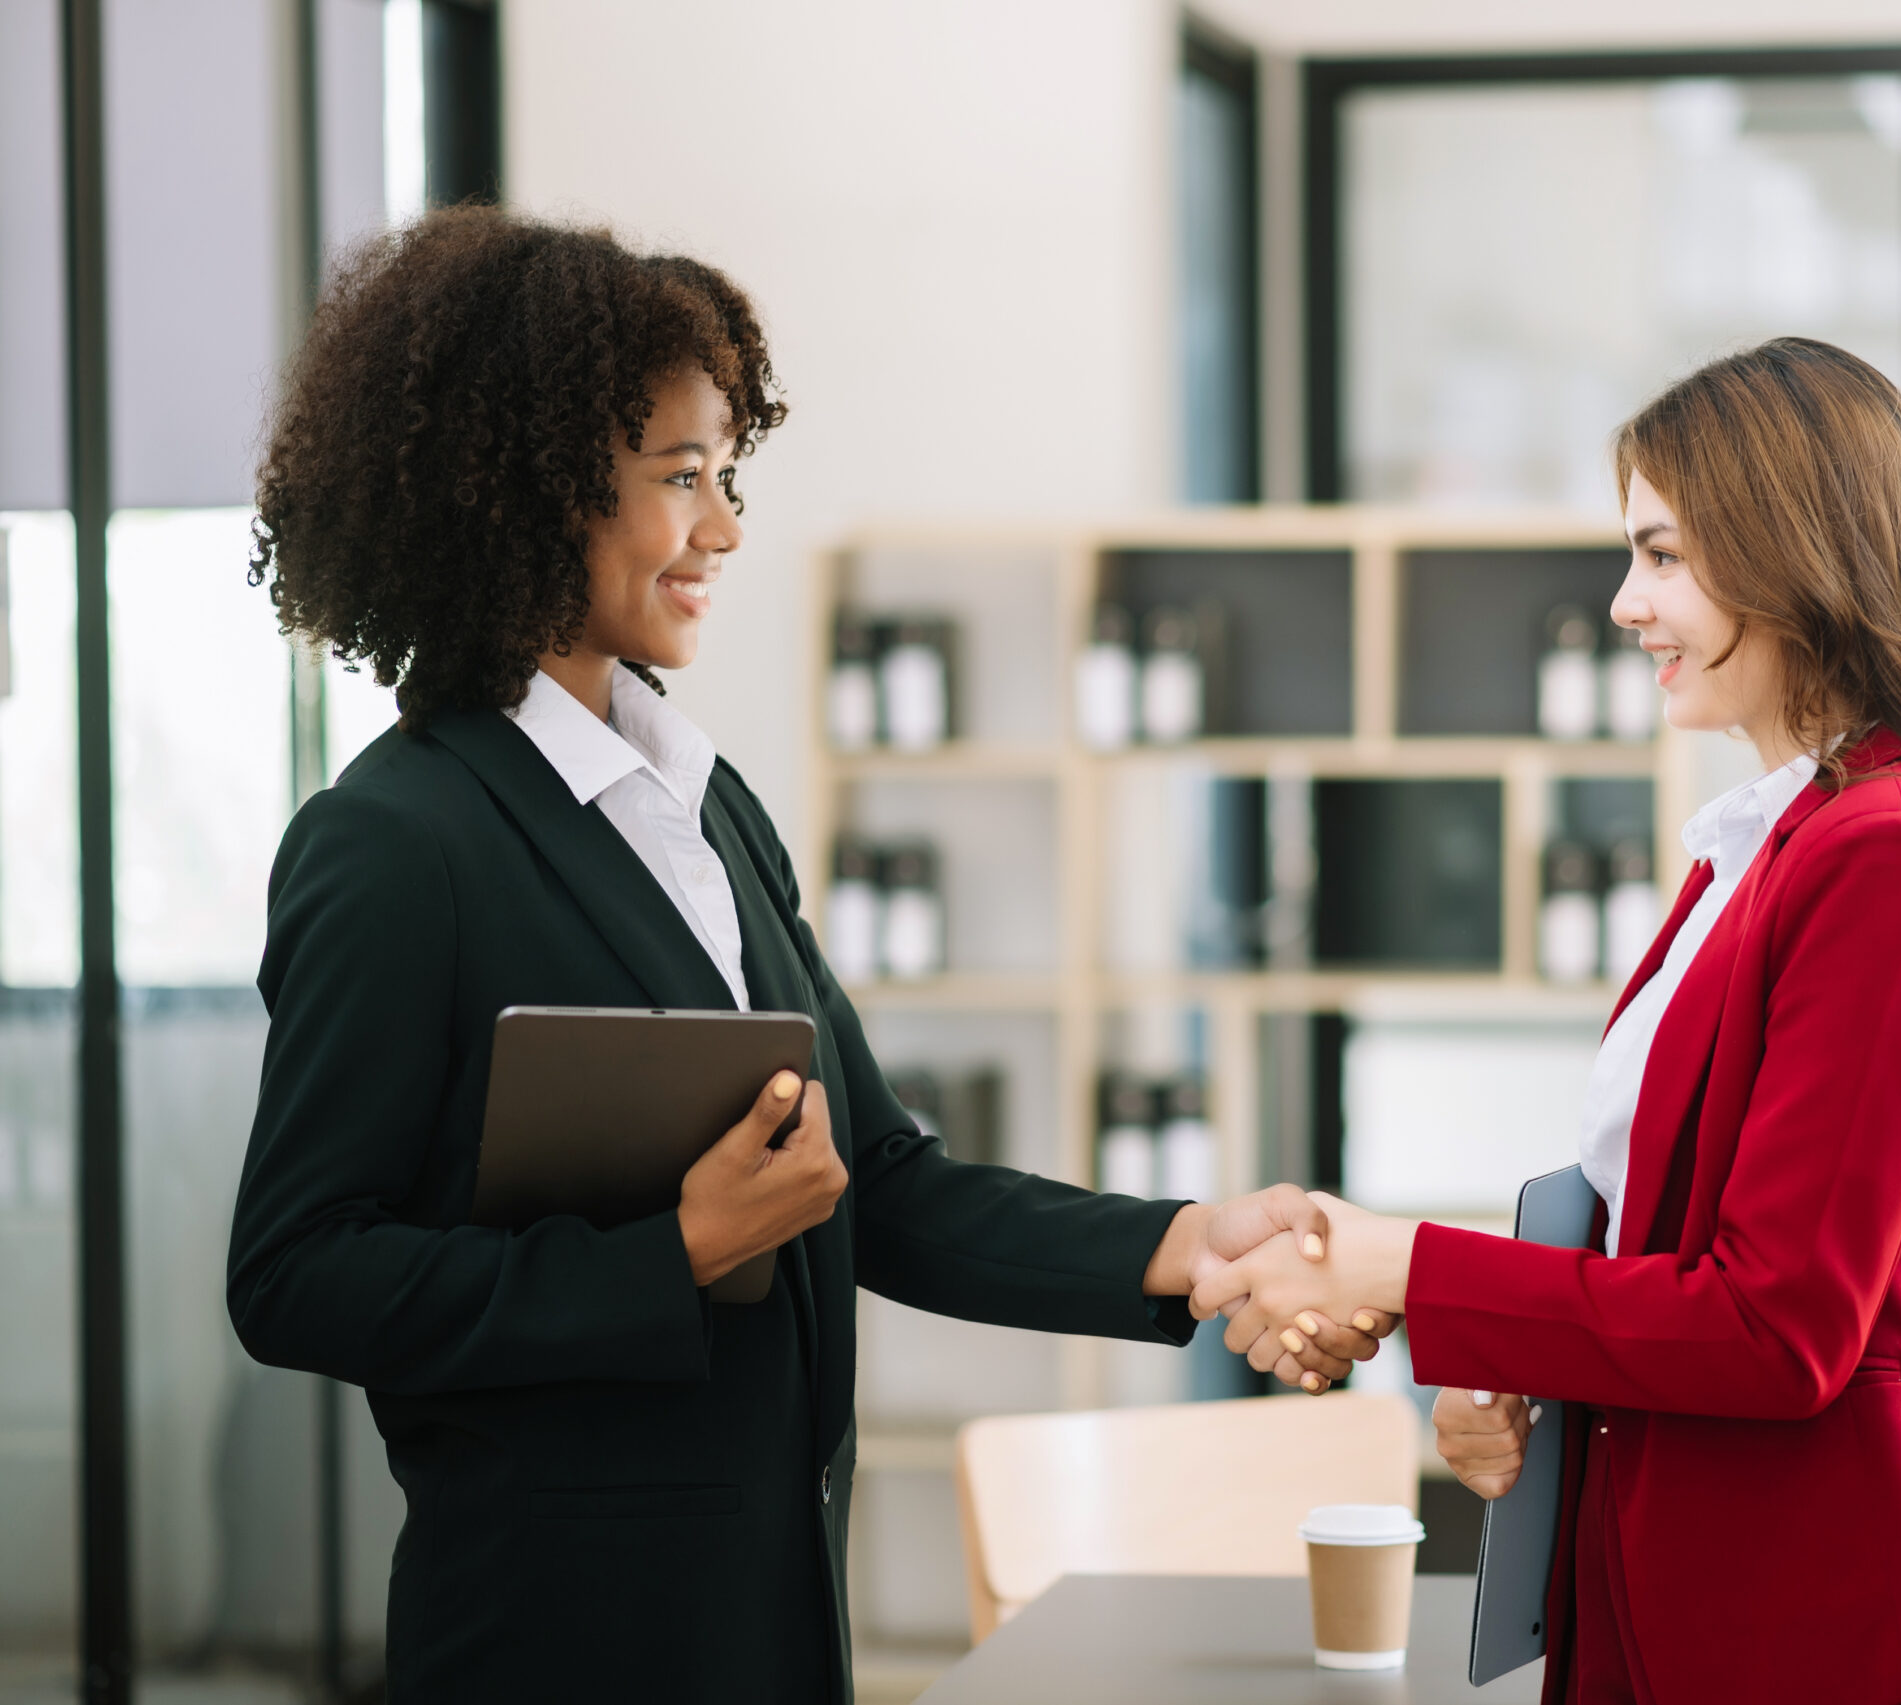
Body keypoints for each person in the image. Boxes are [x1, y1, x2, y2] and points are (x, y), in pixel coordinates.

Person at [225, 206, 1383, 1702]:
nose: (723, 529)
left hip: (767, 1623)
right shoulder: (397, 842)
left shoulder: (706, 810)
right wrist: (671, 1257)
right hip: (554, 1643)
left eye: (729, 475)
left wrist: (1181, 1246)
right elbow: (299, 1271)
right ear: (523, 494)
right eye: (681, 478)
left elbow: (876, 1181)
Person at [1195, 338, 1901, 1705]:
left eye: (1664, 556)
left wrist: (1400, 1266)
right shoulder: (1761, 848)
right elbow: (1662, 1253)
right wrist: (1520, 1384)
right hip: (1690, 1605)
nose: (1626, 603)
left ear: (1798, 554)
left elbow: (1776, 1324)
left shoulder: (1886, 858)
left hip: (1828, 1637)